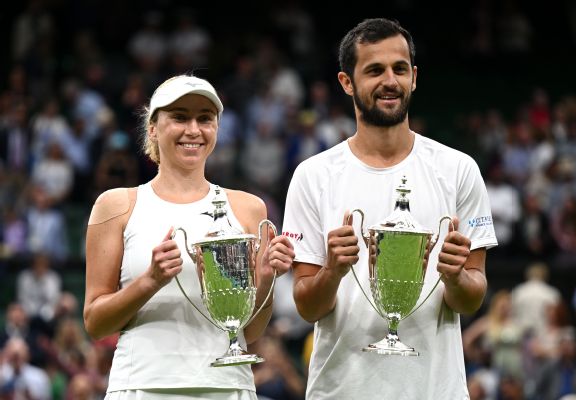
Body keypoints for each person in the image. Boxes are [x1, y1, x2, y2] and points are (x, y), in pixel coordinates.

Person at [282, 18, 498, 399]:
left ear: (414, 77)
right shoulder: (313, 175)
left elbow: (472, 296)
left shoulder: (458, 169)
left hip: (434, 390)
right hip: (341, 390)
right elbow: (307, 307)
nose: (390, 81)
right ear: (347, 83)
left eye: (399, 69)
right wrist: (331, 270)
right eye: (374, 70)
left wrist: (454, 277)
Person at [84, 74, 295, 399]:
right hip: (142, 386)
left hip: (228, 387)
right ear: (153, 127)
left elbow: (250, 333)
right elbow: (96, 323)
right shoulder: (116, 205)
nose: (193, 130)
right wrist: (149, 281)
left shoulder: (249, 209)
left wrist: (266, 278)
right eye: (180, 117)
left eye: (205, 119)